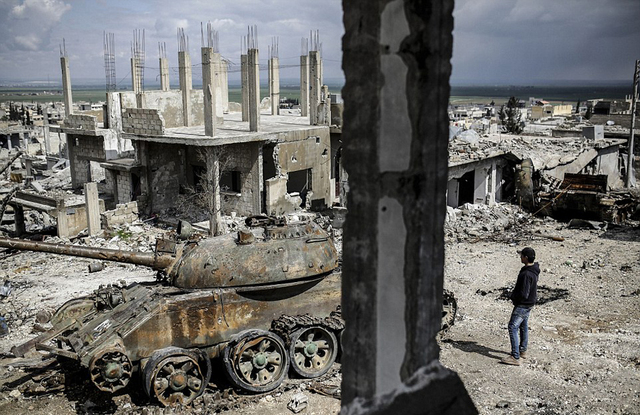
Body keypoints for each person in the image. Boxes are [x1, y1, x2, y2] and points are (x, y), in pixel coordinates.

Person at [501, 247, 539, 366]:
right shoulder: (533, 270)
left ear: (526, 258)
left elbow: (524, 293)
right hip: (529, 304)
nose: (520, 257)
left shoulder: (527, 274)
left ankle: (515, 356)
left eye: (521, 255)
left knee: (512, 326)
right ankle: (523, 350)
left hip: (523, 305)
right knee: (523, 326)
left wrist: (514, 297)